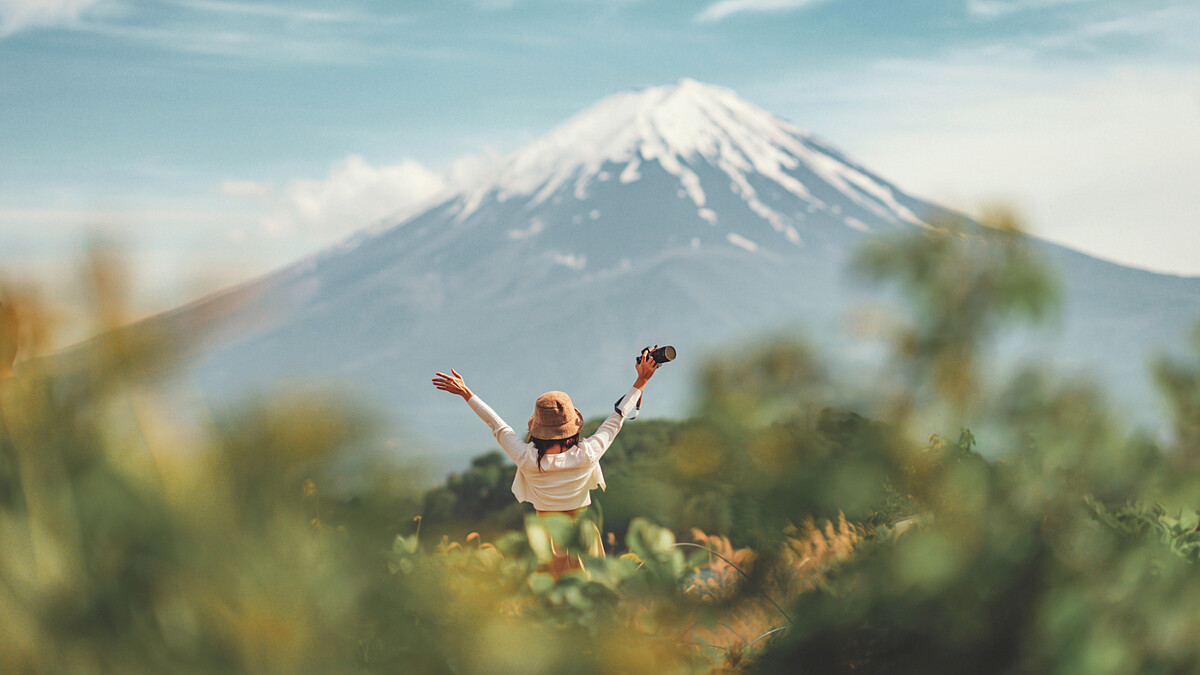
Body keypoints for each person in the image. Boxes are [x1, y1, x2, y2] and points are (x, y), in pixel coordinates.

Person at [432, 347, 661, 573]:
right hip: (584, 537)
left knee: (548, 602)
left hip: (545, 540)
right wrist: (641, 381)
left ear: (538, 428)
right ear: (572, 426)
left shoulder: (527, 458)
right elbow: (618, 417)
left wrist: (466, 393)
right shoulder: (588, 454)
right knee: (592, 597)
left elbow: (497, 425)